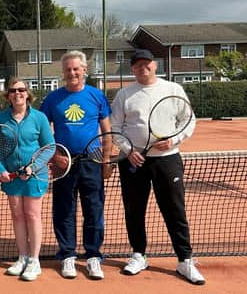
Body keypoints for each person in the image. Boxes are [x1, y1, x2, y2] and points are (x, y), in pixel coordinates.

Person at [110, 49, 205, 285]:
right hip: (134, 160)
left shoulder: (173, 89)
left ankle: (185, 260)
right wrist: (128, 151)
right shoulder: (124, 94)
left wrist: (174, 140)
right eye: (137, 65)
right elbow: (115, 128)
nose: (143, 68)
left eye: (147, 64)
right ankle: (138, 254)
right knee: (134, 209)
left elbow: (188, 120)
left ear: (155, 65)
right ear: (132, 69)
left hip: (168, 160)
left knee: (174, 209)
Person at [40, 50, 112, 280]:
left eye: (76, 69)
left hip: (92, 161)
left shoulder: (96, 95)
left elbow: (107, 131)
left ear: (84, 70)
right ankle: (68, 255)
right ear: (63, 73)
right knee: (64, 211)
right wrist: (53, 157)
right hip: (63, 163)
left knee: (94, 209)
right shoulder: (52, 99)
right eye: (68, 69)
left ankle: (93, 256)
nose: (72, 73)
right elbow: (42, 133)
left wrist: (106, 161)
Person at [0, 77, 55, 281]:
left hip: (35, 176)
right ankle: (22, 257)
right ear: (8, 95)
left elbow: (50, 147)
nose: (17, 93)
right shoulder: (1, 118)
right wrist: (1, 169)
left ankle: (34, 261)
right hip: (11, 177)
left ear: (27, 93)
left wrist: (33, 167)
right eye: (13, 90)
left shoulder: (39, 118)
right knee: (17, 216)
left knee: (32, 215)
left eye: (21, 90)